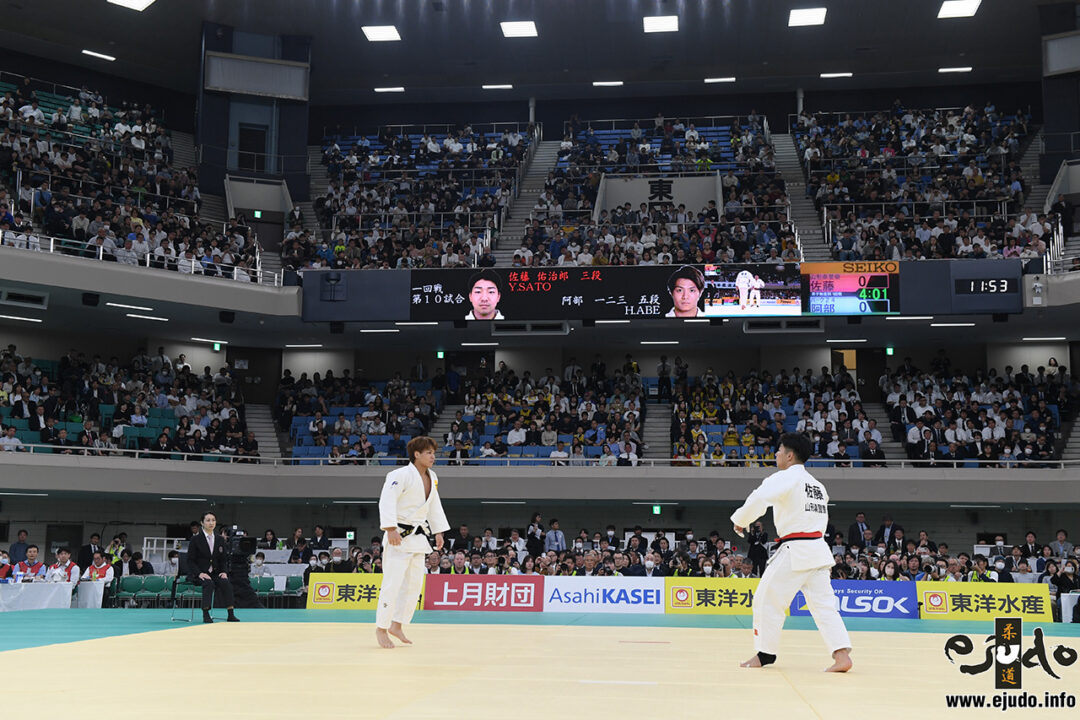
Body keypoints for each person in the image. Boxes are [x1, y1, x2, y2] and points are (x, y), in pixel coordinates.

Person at [731, 432, 853, 672]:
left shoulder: (785, 477)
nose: (776, 454)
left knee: (766, 600)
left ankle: (764, 654)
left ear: (789, 455)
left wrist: (740, 520)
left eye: (779, 451)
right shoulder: (817, 485)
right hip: (818, 550)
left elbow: (760, 497)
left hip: (796, 550)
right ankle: (841, 655)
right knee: (824, 606)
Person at [375, 436, 450, 649]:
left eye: (433, 453)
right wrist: (390, 529)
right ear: (416, 454)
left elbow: (434, 505)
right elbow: (386, 500)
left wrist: (438, 531)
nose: (433, 456)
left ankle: (397, 625)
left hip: (418, 538)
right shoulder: (399, 475)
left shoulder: (432, 476)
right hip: (398, 535)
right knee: (392, 584)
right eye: (428, 452)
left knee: (414, 585)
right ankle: (381, 628)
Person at [187, 511, 240, 624]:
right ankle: (206, 613)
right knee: (208, 583)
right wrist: (199, 573)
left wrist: (224, 572)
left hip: (215, 573)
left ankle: (231, 613)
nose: (211, 523)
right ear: (202, 523)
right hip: (199, 574)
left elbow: (223, 559)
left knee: (226, 582)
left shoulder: (220, 539)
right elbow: (190, 561)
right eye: (208, 520)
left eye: (213, 520)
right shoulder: (195, 539)